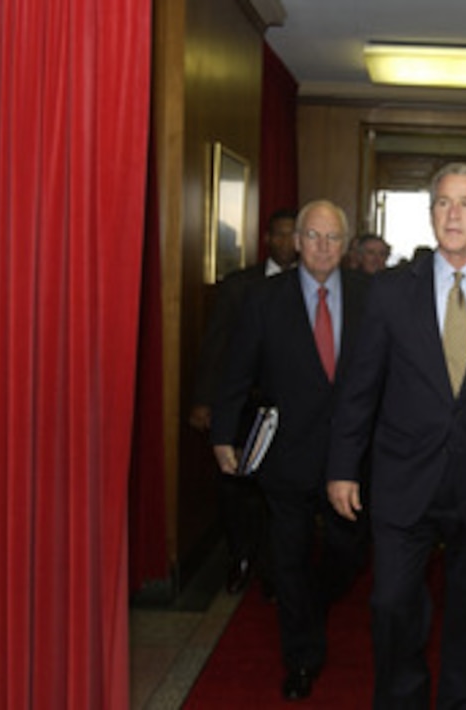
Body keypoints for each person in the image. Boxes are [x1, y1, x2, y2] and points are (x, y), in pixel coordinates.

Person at [327, 162, 466, 709]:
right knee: (391, 605)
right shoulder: (389, 291)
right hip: (404, 478)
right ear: (430, 214)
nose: (453, 214)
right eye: (443, 203)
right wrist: (342, 466)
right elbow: (360, 387)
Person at [211, 199, 370, 701]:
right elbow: (234, 370)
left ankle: (312, 599)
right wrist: (221, 434)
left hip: (353, 459)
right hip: (287, 457)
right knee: (289, 556)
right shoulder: (263, 299)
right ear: (297, 242)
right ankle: (302, 656)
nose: (323, 247)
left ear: (345, 247)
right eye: (313, 237)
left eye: (333, 238)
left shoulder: (373, 296)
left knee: (350, 550)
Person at [189, 208, 298, 596]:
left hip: (290, 408)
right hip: (245, 405)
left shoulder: (313, 284)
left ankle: (273, 567)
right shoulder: (240, 285)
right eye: (280, 235)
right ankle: (240, 557)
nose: (287, 243)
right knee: (234, 487)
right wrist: (204, 401)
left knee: (279, 491)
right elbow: (216, 346)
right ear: (268, 240)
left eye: (293, 235)